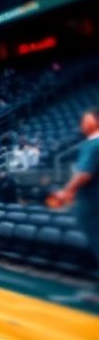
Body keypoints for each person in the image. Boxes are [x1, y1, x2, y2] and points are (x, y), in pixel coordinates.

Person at [50, 109, 99, 265]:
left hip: (92, 202)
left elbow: (84, 174)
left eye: (86, 119)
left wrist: (66, 191)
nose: (82, 123)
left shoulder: (93, 143)